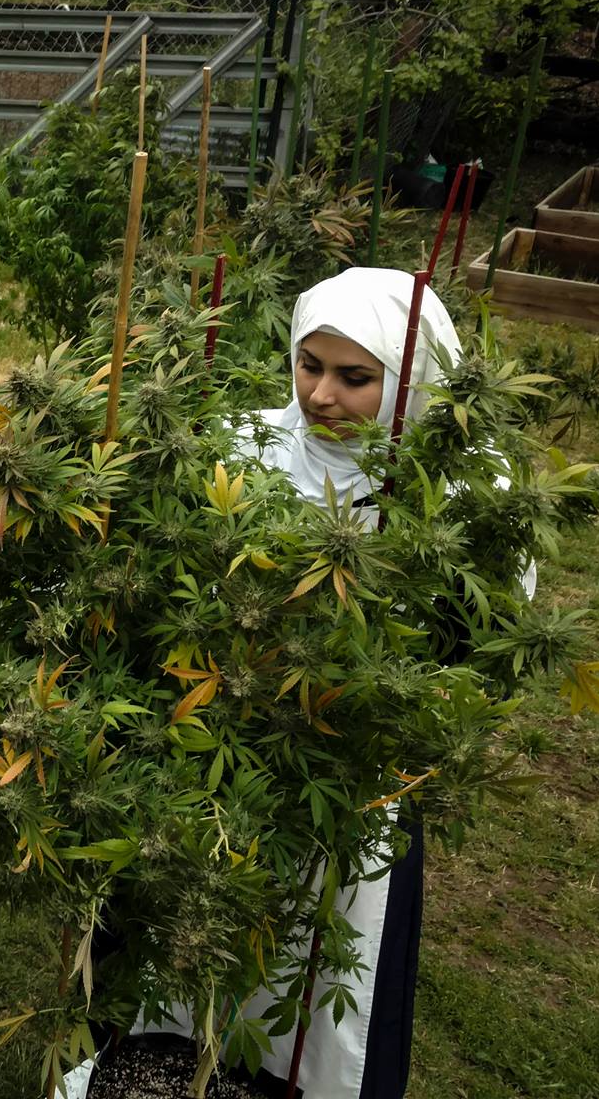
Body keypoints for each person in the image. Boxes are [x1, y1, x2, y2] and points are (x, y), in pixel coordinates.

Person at [206, 267, 466, 1098]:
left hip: (356, 774)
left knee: (321, 961)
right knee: (203, 930)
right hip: (226, 747)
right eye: (308, 365)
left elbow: (458, 665)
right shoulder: (241, 447)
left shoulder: (456, 499)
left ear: (412, 383)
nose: (320, 395)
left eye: (355, 378)